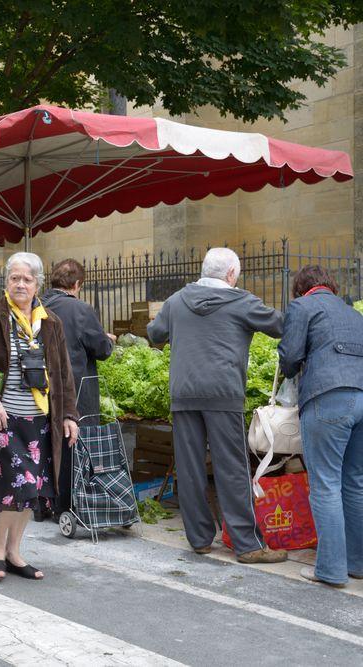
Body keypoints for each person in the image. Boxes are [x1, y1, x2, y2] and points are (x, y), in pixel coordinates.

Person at [148, 247, 287, 564]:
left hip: (183, 394)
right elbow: (279, 325)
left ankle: (199, 540)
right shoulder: (242, 301)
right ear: (231, 274)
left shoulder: (176, 301)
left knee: (190, 467)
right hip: (223, 393)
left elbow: (155, 333)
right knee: (232, 468)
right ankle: (247, 545)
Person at [0, 252, 80, 582]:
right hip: (5, 418)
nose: (20, 284)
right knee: (18, 486)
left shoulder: (50, 321)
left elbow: (64, 374)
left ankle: (14, 551)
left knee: (32, 490)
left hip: (41, 421)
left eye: (27, 279)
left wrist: (69, 414)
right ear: (6, 282)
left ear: (37, 283)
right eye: (14, 278)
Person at [277, 266, 363, 588]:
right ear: (331, 286)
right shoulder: (353, 313)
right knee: (354, 483)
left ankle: (330, 570)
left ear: (301, 289)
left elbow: (290, 357)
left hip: (329, 398)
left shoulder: (302, 306)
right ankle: (357, 563)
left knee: (326, 484)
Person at [40, 258, 116, 518]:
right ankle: (66, 506)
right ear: (77, 284)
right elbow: (102, 350)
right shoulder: (80, 309)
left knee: (43, 443)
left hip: (39, 388)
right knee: (72, 446)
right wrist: (107, 339)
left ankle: (41, 504)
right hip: (75, 389)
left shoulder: (35, 305)